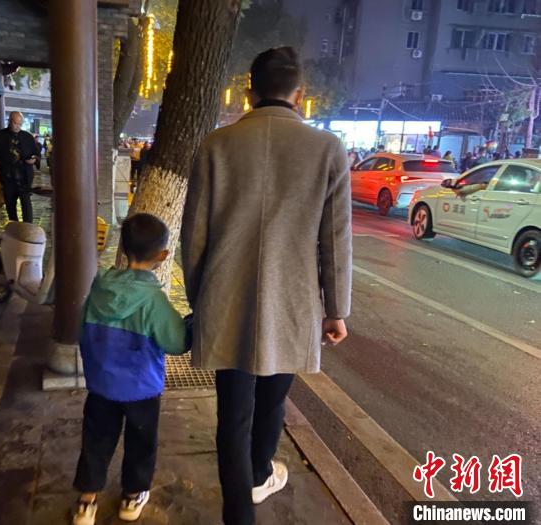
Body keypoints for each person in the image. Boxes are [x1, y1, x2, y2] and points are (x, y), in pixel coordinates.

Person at [181, 47, 352, 525]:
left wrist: (201, 299)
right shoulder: (328, 150)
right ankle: (259, 473)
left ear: (249, 91)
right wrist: (336, 310)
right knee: (273, 399)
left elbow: (193, 238)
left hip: (226, 297)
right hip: (293, 301)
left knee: (233, 415)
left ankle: (239, 512)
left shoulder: (216, 145)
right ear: (300, 93)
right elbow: (335, 240)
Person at [72, 213, 189, 525]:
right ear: (163, 256)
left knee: (96, 441)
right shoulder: (153, 300)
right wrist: (190, 325)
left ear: (123, 249)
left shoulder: (99, 289)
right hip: (142, 390)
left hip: (101, 387)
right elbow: (176, 342)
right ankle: (131, 497)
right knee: (141, 443)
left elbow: (81, 329)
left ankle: (86, 502)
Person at [0, 111, 40, 223]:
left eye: (20, 124)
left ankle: (27, 227)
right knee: (10, 203)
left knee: (26, 203)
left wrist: (34, 159)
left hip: (25, 175)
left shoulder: (27, 137)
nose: (17, 126)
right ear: (9, 121)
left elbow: (36, 153)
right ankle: (14, 225)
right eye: (15, 123)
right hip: (7, 175)